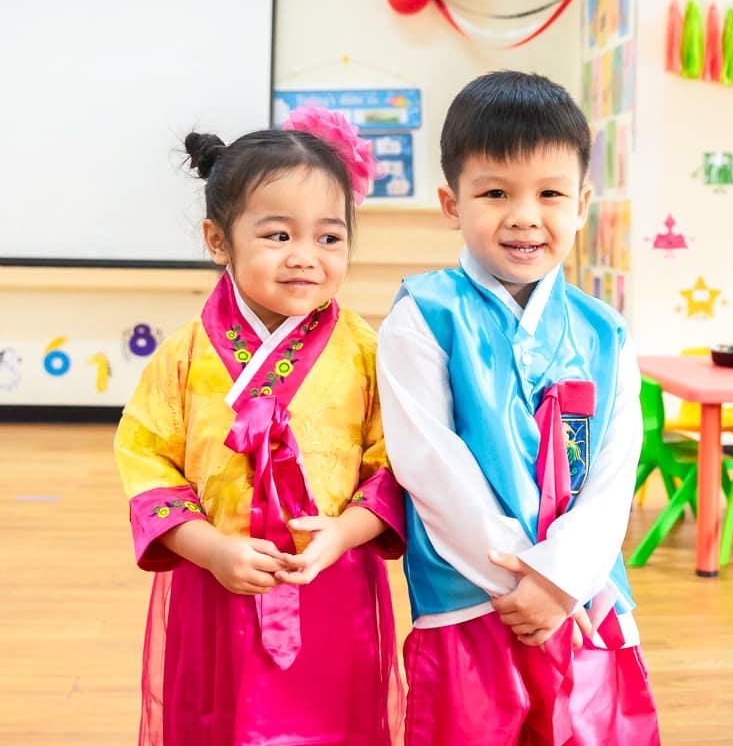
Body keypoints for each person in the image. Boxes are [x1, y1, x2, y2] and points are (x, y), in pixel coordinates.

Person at [377, 71, 660, 745]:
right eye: (496, 192)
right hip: (473, 601)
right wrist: (524, 581)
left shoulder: (605, 332)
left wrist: (561, 578)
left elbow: (616, 472)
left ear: (584, 202)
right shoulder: (424, 316)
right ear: (452, 201)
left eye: (550, 193)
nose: (525, 216)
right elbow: (430, 467)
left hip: (585, 599)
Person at [115, 106, 405, 746]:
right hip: (217, 581)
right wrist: (212, 550)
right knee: (218, 720)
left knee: (337, 721)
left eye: (329, 238)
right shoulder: (184, 356)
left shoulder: (365, 350)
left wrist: (342, 534)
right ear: (219, 240)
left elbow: (394, 464)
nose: (306, 257)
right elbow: (145, 459)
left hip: (331, 574)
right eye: (279, 236)